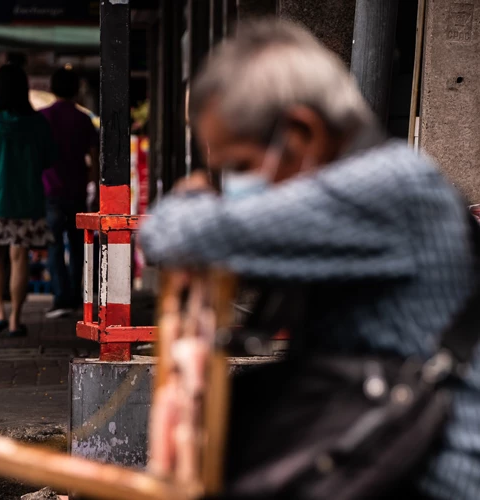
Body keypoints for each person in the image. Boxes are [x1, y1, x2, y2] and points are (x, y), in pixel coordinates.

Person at [138, 20, 479, 498]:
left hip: (432, 474)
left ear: (302, 131)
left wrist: (190, 201)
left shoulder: (388, 186)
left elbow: (175, 233)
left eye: (239, 167)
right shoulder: (378, 183)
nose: (232, 189)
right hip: (383, 455)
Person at [0, 63, 55, 337]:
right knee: (20, 256)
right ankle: (17, 319)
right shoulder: (38, 122)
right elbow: (48, 159)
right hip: (29, 200)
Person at [41, 67, 97, 319]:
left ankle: (60, 296)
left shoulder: (43, 117)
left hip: (49, 190)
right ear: (76, 90)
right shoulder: (84, 120)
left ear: (52, 89)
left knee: (53, 246)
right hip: (77, 190)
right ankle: (76, 297)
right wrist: (93, 185)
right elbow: (95, 157)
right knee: (78, 246)